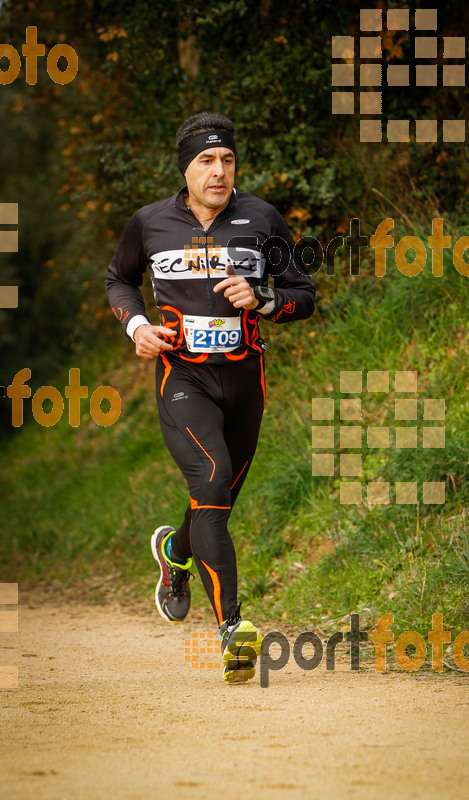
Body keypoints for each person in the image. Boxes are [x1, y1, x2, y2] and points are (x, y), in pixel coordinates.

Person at [105, 111, 315, 683]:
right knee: (213, 478)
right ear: (186, 168)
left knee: (214, 499)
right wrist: (137, 327)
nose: (218, 171)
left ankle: (176, 553)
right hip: (184, 379)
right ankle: (233, 630)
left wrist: (265, 298)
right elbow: (118, 279)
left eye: (226, 159)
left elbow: (305, 294)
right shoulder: (149, 223)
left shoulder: (262, 218)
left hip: (246, 382)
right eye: (205, 160)